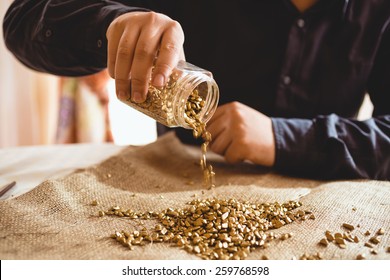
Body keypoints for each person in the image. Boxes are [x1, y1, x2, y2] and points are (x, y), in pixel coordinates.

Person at [3, 0, 390, 180]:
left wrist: (283, 138)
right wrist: (111, 24)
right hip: (167, 183)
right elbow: (22, 19)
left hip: (327, 197)